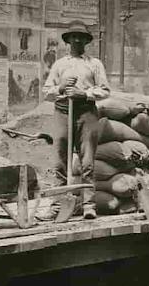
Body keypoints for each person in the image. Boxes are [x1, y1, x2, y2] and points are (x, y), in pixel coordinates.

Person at [42, 27, 110, 179]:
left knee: (87, 161)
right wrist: (61, 87)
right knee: (60, 157)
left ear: (86, 41)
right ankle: (60, 199)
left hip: (86, 113)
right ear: (68, 40)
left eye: (81, 37)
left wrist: (84, 94)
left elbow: (105, 90)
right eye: (74, 37)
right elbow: (46, 92)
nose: (77, 40)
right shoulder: (59, 64)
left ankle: (87, 201)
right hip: (62, 112)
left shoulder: (95, 64)